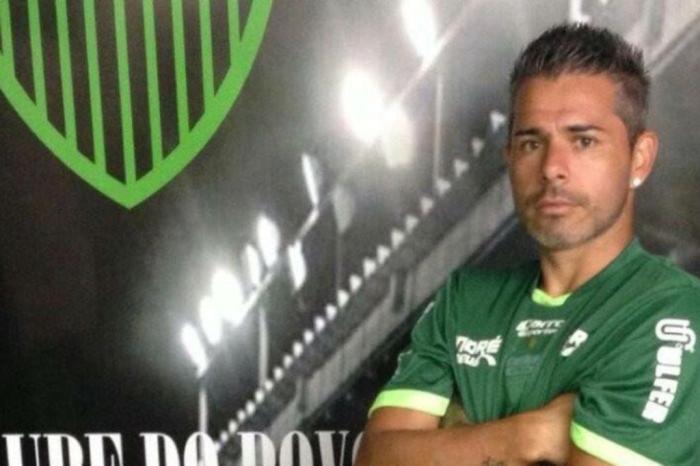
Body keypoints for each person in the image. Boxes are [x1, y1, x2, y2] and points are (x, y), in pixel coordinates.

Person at [356, 23, 700, 466]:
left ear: (640, 157)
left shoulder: (671, 314)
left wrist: (454, 438)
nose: (553, 167)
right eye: (532, 142)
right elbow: (375, 457)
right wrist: (528, 435)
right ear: (510, 157)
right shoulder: (464, 302)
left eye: (583, 141)